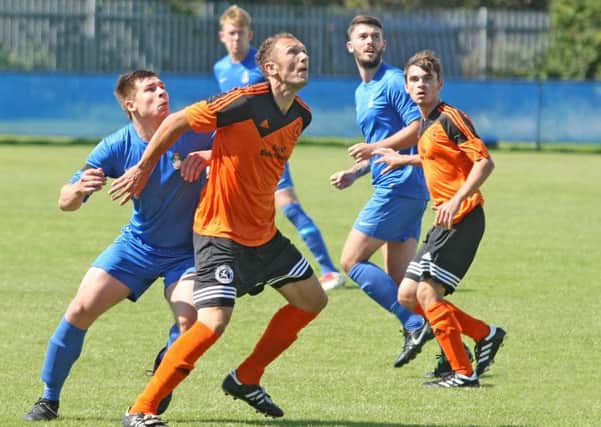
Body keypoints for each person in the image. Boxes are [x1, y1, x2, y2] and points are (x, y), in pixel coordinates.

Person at [111, 33, 327, 427]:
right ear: (272, 68)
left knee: (312, 300)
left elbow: (250, 153)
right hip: (219, 232)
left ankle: (247, 378)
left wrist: (212, 154)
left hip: (263, 235)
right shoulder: (243, 100)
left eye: (304, 51)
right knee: (212, 322)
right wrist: (142, 168)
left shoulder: (301, 115)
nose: (304, 56)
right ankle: (140, 409)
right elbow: (177, 120)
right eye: (293, 52)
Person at [23, 70, 213, 421]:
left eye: (162, 87)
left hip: (188, 252)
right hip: (137, 246)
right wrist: (80, 189)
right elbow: (65, 201)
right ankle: (48, 399)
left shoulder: (193, 129)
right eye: (150, 89)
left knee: (190, 325)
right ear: (131, 105)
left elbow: (246, 150)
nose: (161, 92)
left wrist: (206, 154)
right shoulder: (116, 145)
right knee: (80, 309)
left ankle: (157, 385)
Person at [376, 49, 506, 387]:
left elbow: (484, 162)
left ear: (440, 83)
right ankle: (483, 333)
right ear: (406, 86)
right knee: (407, 295)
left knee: (428, 295)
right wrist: (402, 160)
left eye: (427, 79)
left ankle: (463, 371)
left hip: (462, 216)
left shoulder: (450, 116)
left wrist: (458, 198)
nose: (420, 85)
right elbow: (436, 157)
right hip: (444, 221)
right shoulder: (424, 122)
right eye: (414, 80)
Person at [214, 4, 345, 291]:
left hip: (267, 150)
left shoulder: (261, 66)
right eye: (231, 33)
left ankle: (328, 270)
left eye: (242, 33)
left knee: (290, 209)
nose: (237, 39)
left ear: (251, 34)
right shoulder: (221, 68)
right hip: (237, 154)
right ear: (222, 35)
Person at [329, 15, 432, 367]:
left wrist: (373, 150)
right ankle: (459, 351)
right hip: (404, 188)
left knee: (351, 261)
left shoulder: (391, 81)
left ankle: (415, 325)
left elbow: (418, 127)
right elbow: (380, 146)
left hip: (400, 187)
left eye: (375, 36)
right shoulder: (362, 91)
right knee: (402, 286)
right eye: (363, 36)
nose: (370, 41)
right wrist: (356, 172)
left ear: (384, 44)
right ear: (351, 46)